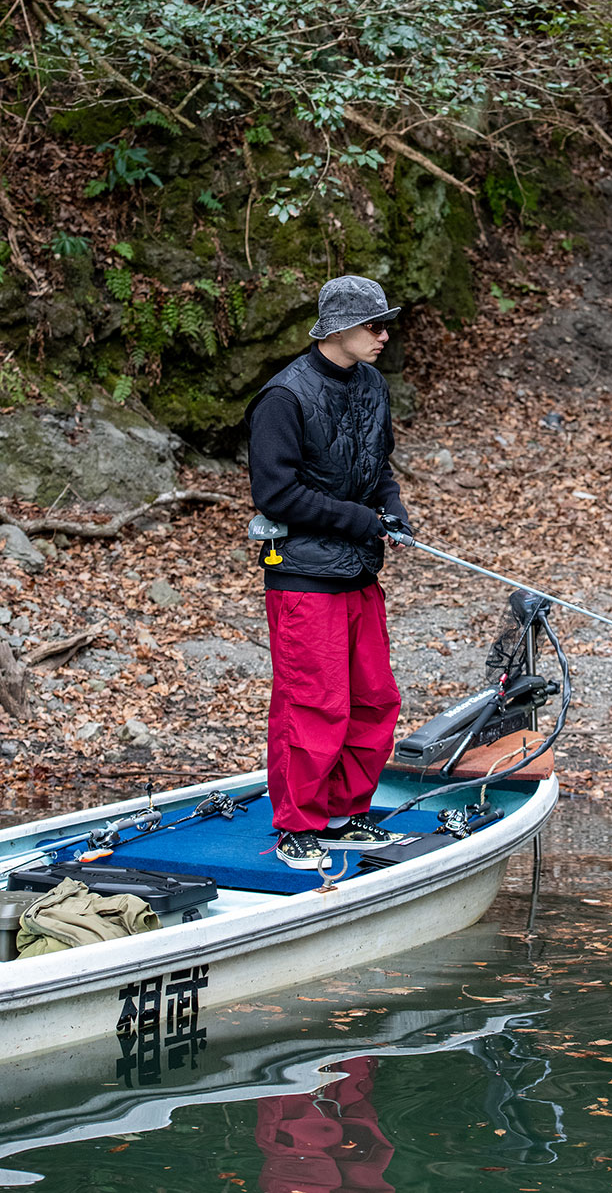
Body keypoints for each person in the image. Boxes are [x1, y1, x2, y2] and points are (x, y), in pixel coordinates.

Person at [246, 275, 411, 870]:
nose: (385, 335)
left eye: (385, 324)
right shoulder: (282, 398)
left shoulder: (371, 384)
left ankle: (345, 815)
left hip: (360, 575)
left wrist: (393, 511)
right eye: (375, 326)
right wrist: (358, 520)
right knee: (313, 704)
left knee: (374, 700)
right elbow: (276, 495)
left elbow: (379, 465)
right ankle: (298, 826)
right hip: (302, 579)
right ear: (339, 329)